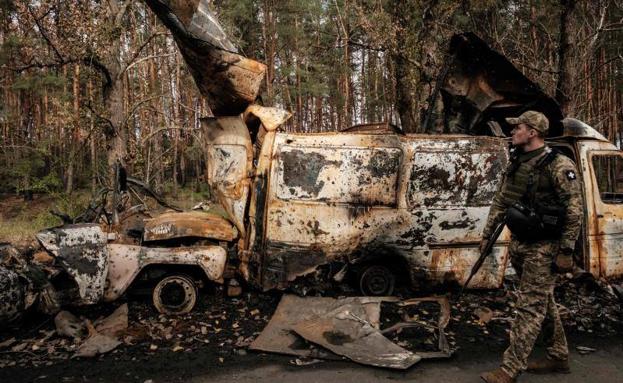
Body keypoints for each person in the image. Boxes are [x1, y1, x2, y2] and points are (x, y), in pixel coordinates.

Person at [479, 111, 583, 383]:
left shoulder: (559, 165)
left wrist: (566, 251)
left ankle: (509, 370)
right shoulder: (517, 162)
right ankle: (558, 356)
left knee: (529, 308)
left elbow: (574, 211)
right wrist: (487, 234)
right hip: (521, 243)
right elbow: (502, 201)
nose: (513, 132)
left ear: (533, 132)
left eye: (518, 128)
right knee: (542, 300)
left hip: (545, 247)